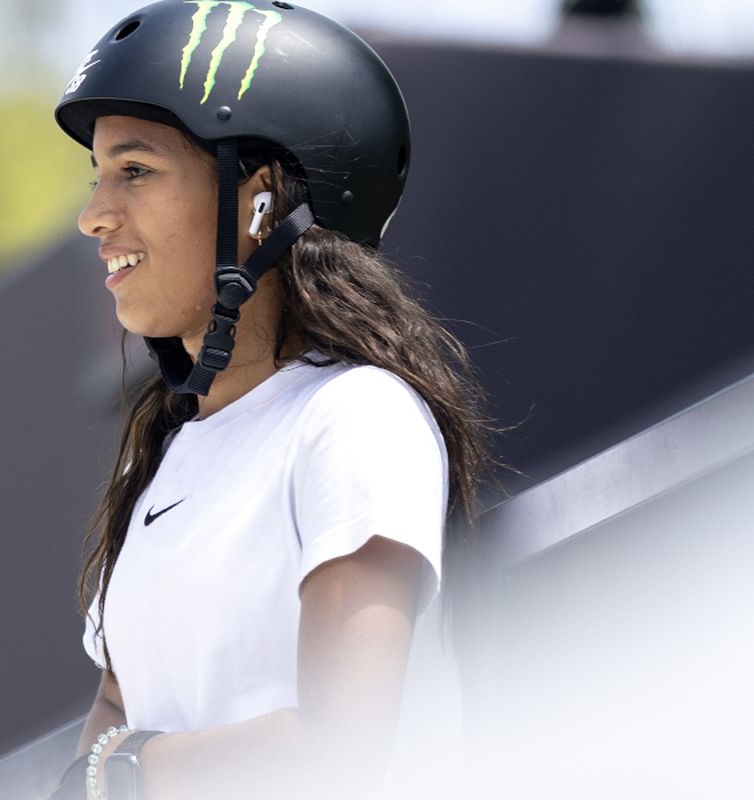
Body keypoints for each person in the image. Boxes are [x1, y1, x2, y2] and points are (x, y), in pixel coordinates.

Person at [52, 2, 495, 798]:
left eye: (135, 171)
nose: (94, 215)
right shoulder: (161, 458)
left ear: (261, 203)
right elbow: (116, 720)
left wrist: (128, 770)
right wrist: (114, 768)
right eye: (98, 177)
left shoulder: (355, 418)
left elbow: (340, 747)